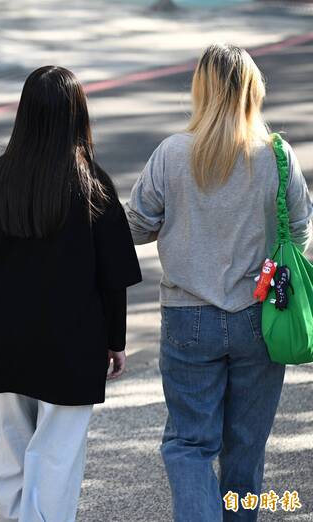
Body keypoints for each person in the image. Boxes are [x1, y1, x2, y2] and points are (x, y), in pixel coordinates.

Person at [126, 43, 312, 522]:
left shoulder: (172, 154)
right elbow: (301, 232)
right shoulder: (277, 154)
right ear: (254, 91)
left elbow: (137, 227)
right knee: (246, 451)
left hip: (188, 318)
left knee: (189, 444)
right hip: (259, 317)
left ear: (200, 90)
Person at [0, 66, 142, 522]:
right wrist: (115, 342)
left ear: (24, 114)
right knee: (57, 456)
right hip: (72, 344)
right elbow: (113, 277)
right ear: (77, 114)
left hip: (1, 341)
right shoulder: (93, 185)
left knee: (11, 450)